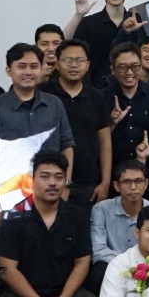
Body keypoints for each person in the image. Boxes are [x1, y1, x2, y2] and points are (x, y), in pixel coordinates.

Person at [0, 151, 100, 297]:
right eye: (45, 177)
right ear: (32, 179)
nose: (52, 183)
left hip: (63, 291)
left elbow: (82, 262)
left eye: (59, 177)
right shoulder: (14, 217)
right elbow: (7, 268)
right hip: (23, 294)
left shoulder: (76, 216)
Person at [0, 43, 77, 221]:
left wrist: (66, 184)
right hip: (8, 200)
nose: (28, 72)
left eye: (34, 66)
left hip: (50, 198)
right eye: (21, 66)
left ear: (42, 69)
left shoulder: (54, 104)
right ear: (9, 70)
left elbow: (66, 145)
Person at [42, 38, 113, 205]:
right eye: (68, 60)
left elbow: (105, 142)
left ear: (87, 65)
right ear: (57, 64)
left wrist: (105, 182)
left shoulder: (97, 97)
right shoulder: (44, 95)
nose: (74, 65)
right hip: (48, 179)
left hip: (88, 183)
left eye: (79, 60)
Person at [88, 159, 149, 296]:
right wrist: (129, 266)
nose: (133, 187)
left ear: (146, 184)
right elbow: (98, 250)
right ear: (116, 186)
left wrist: (140, 268)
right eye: (127, 182)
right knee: (99, 270)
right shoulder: (101, 209)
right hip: (112, 268)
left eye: (138, 181)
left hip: (145, 270)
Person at [106, 42, 149, 169]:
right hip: (113, 169)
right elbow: (93, 140)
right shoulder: (102, 98)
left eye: (134, 66)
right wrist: (112, 124)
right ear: (113, 69)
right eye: (122, 67)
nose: (129, 72)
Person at [64, 0, 131, 83]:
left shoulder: (134, 21)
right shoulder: (89, 22)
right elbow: (64, 43)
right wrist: (79, 15)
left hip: (129, 83)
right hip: (95, 85)